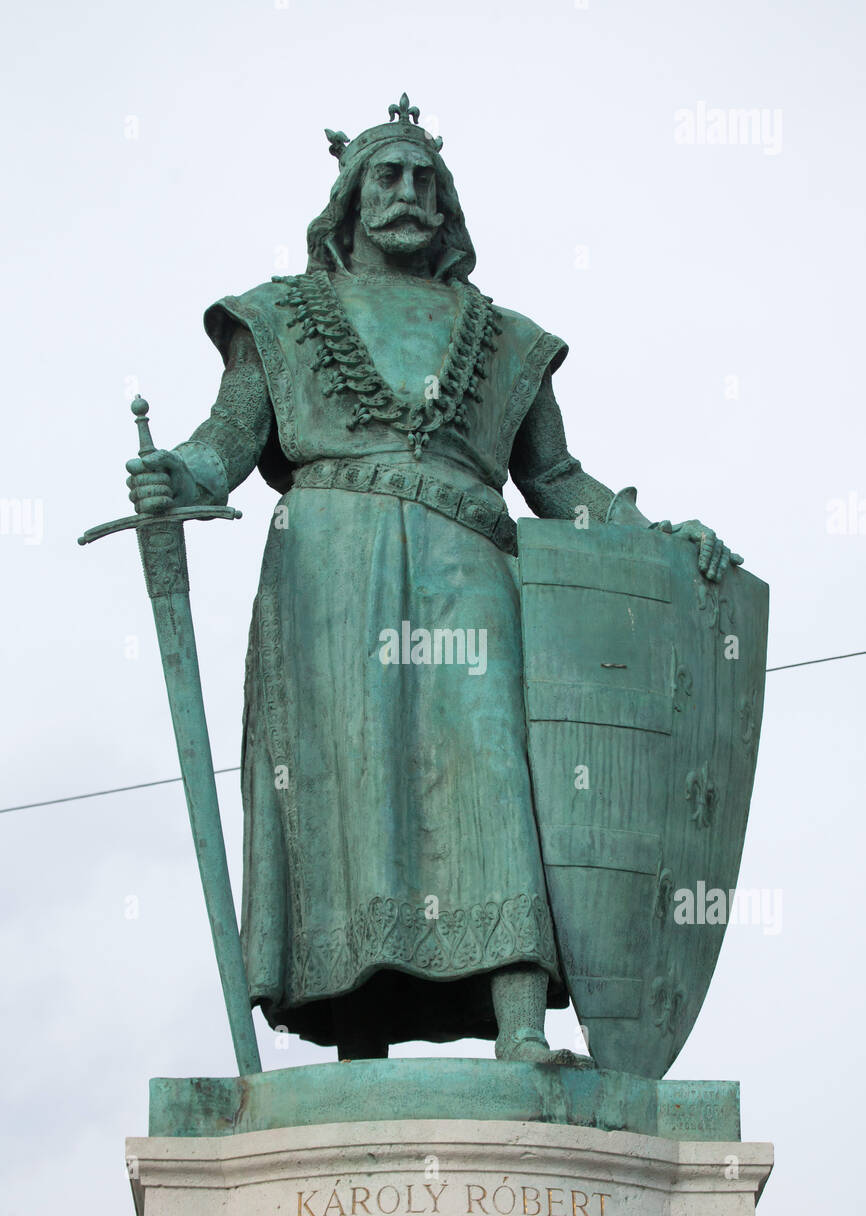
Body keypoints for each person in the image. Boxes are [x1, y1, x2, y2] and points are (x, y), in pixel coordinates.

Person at [126, 95, 740, 1064]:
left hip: (467, 560)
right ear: (349, 197)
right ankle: (353, 1040)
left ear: (447, 205)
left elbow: (553, 479)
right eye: (387, 175)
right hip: (327, 567)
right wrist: (180, 478)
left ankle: (519, 1026)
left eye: (425, 179)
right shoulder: (279, 315)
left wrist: (650, 533)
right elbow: (224, 444)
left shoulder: (506, 340)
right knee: (341, 779)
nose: (407, 194)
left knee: (492, 767)